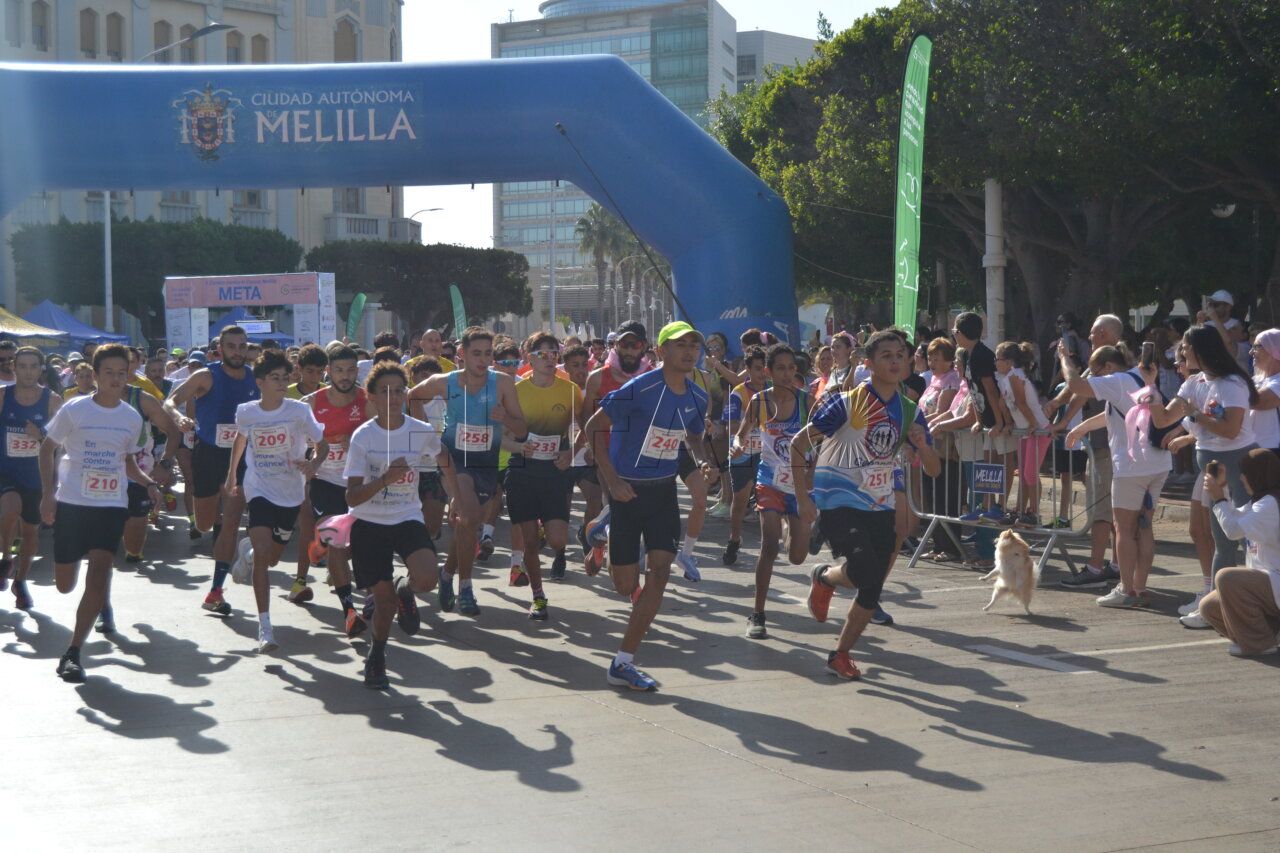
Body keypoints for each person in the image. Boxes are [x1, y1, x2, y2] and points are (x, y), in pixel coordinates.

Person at [793, 330, 939, 679]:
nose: (894, 361)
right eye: (886, 355)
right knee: (866, 569)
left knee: (872, 585)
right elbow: (800, 443)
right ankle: (827, 578)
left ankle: (839, 651)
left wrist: (922, 444)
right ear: (868, 364)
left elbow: (933, 470)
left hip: (880, 502)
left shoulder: (909, 410)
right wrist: (802, 497)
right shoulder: (845, 402)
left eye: (900, 355)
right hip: (838, 499)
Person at [582, 321, 715, 691]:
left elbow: (692, 435)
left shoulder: (698, 396)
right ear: (662, 351)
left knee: (660, 571)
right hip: (627, 493)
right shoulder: (640, 387)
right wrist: (611, 481)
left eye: (695, 344)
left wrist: (703, 458)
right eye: (680, 344)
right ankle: (602, 533)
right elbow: (594, 427)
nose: (690, 351)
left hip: (663, 493)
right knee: (625, 585)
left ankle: (624, 661)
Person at [39, 344, 164, 682]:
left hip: (110, 505)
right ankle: (87, 607)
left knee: (100, 572)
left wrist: (149, 483)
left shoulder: (131, 416)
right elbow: (48, 448)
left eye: (121, 373)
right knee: (64, 585)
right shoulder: (75, 409)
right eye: (107, 372)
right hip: (72, 504)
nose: (114, 379)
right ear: (94, 376)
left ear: (128, 377)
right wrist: (48, 495)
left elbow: (128, 462)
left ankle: (74, 651)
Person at [346, 362, 459, 689]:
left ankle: (405, 589)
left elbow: (445, 458)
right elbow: (352, 497)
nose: (393, 397)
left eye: (399, 390)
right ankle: (377, 654)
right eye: (384, 391)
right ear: (371, 397)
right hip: (368, 522)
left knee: (426, 578)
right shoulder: (363, 437)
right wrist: (385, 479)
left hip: (407, 516)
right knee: (381, 606)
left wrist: (456, 500)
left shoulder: (419, 431)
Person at [409, 326, 526, 618]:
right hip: (454, 460)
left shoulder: (502, 383)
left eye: (488, 353)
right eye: (476, 353)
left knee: (468, 525)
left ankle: (447, 574)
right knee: (471, 517)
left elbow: (522, 431)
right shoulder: (444, 382)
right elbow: (412, 397)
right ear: (462, 354)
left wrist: (506, 417)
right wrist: (426, 434)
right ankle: (466, 588)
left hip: (486, 463)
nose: (483, 359)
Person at [226, 351, 326, 653]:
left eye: (285, 377)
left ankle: (250, 552)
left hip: (291, 491)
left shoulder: (299, 411)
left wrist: (315, 464)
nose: (282, 383)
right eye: (275, 378)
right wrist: (232, 476)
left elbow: (322, 444)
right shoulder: (246, 412)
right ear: (260, 382)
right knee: (264, 553)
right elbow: (240, 440)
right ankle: (265, 626)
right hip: (258, 487)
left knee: (270, 558)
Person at [1146, 326, 1258, 587]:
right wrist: (1150, 385)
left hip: (1238, 465)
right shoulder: (1193, 382)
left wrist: (1196, 415)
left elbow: (1230, 430)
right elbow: (1162, 419)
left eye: (1184, 346)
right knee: (1221, 540)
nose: (1180, 351)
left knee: (1247, 537)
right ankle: (1219, 603)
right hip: (1211, 468)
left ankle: (1263, 597)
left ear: (1199, 348)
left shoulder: (1231, 383)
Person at [1062, 343, 1171, 608]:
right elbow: (1115, 413)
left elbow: (1075, 386)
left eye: (1094, 372)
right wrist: (1083, 428)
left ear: (1108, 367)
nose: (1092, 378)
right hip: (1158, 462)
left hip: (1132, 467)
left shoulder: (1117, 380)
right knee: (1144, 525)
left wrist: (1065, 359)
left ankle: (1126, 590)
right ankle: (1140, 587)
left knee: (1123, 528)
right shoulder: (1139, 375)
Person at [163, 326, 259, 616]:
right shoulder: (206, 375)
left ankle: (216, 590)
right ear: (220, 349)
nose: (238, 352)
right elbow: (170, 401)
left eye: (242, 346)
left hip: (241, 457)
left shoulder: (255, 377)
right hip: (208, 455)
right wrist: (179, 417)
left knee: (230, 522)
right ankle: (214, 523)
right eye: (232, 346)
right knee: (204, 524)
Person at [504, 333, 582, 615]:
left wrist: (570, 453)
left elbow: (586, 427)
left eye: (554, 353)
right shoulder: (516, 391)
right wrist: (519, 446)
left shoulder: (571, 390)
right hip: (523, 470)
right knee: (529, 543)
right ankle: (538, 597)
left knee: (559, 539)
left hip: (554, 469)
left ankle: (541, 527)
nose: (550, 358)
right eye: (542, 354)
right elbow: (501, 437)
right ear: (529, 358)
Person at [737, 343, 811, 638]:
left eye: (791, 368)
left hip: (800, 485)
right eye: (780, 368)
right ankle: (757, 613)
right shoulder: (759, 401)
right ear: (767, 372)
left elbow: (817, 444)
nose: (786, 373)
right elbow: (741, 433)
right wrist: (737, 446)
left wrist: (814, 484)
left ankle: (798, 529)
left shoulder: (807, 401)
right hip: (769, 480)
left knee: (797, 558)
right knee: (768, 544)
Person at [1051, 313, 1125, 589]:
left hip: (1107, 448)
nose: (1090, 337)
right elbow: (1075, 392)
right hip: (1105, 445)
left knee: (1104, 511)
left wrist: (1064, 359)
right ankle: (1118, 565)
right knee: (1115, 510)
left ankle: (1096, 566)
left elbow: (1078, 388)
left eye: (1094, 332)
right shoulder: (1109, 361)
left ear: (1104, 333)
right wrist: (1059, 416)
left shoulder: (1109, 363)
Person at [303, 344, 372, 635]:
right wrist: (316, 447)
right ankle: (349, 611)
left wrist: (356, 440)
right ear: (328, 371)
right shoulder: (310, 402)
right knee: (339, 540)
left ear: (357, 371)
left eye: (350, 370)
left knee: (352, 541)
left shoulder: (367, 400)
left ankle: (319, 544)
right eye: (339, 370)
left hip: (357, 482)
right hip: (326, 480)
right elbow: (300, 439)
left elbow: (378, 435)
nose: (345, 376)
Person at [579, 321, 651, 575]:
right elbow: (586, 417)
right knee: (618, 504)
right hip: (607, 454)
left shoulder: (652, 378)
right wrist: (588, 445)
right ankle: (625, 566)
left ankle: (598, 536)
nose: (630, 350)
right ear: (616, 346)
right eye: (624, 344)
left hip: (643, 456)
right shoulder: (598, 378)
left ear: (644, 348)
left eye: (636, 344)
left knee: (634, 509)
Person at [1197, 448, 1280, 656]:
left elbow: (1233, 530)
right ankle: (1268, 634)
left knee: (1227, 578)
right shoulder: (1262, 500)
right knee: (1209, 607)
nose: (1242, 477)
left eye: (1246, 472)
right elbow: (1234, 518)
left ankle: (1261, 644)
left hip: (1275, 580)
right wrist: (1222, 491)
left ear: (1259, 474)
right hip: (1269, 584)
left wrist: (1218, 500)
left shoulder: (1271, 503)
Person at [0, 347, 62, 610]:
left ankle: (20, 582)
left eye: (33, 366)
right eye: (22, 366)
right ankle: (5, 557)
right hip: (6, 469)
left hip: (37, 475)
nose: (27, 371)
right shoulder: (3, 396)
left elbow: (62, 444)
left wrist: (40, 437)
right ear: (14, 367)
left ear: (41, 369)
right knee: (9, 508)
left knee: (30, 532)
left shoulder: (52, 400)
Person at [994, 341, 1051, 526]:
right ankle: (1020, 510)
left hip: (1038, 429)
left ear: (1010, 362)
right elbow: (1003, 404)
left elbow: (1021, 402)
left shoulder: (1015, 376)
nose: (996, 362)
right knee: (1024, 474)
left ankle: (1033, 513)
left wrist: (1034, 424)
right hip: (1024, 430)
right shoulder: (1004, 378)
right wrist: (1008, 423)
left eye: (998, 359)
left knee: (1029, 473)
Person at [720, 346, 767, 566]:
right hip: (741, 452)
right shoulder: (738, 393)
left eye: (765, 368)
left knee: (769, 500)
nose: (762, 373)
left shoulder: (773, 390)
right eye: (757, 369)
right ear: (747, 369)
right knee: (740, 502)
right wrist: (753, 425)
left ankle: (768, 545)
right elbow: (731, 425)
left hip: (766, 453)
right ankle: (734, 539)